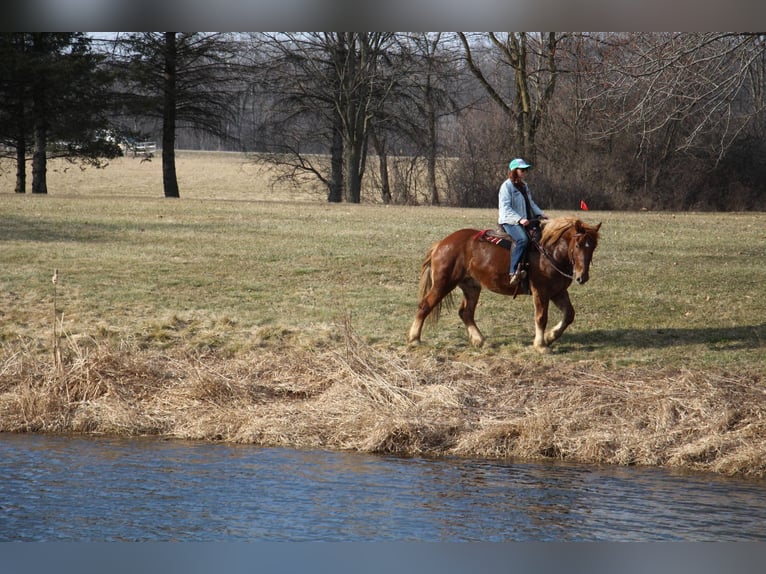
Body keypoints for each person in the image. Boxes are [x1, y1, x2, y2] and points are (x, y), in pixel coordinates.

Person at [498, 158, 548, 287]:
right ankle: (514, 271)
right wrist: (519, 219)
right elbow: (505, 208)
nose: (525, 172)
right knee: (522, 240)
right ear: (514, 171)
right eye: (522, 170)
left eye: (526, 170)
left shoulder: (524, 185)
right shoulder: (506, 186)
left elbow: (530, 203)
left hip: (524, 220)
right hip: (509, 221)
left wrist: (540, 213)